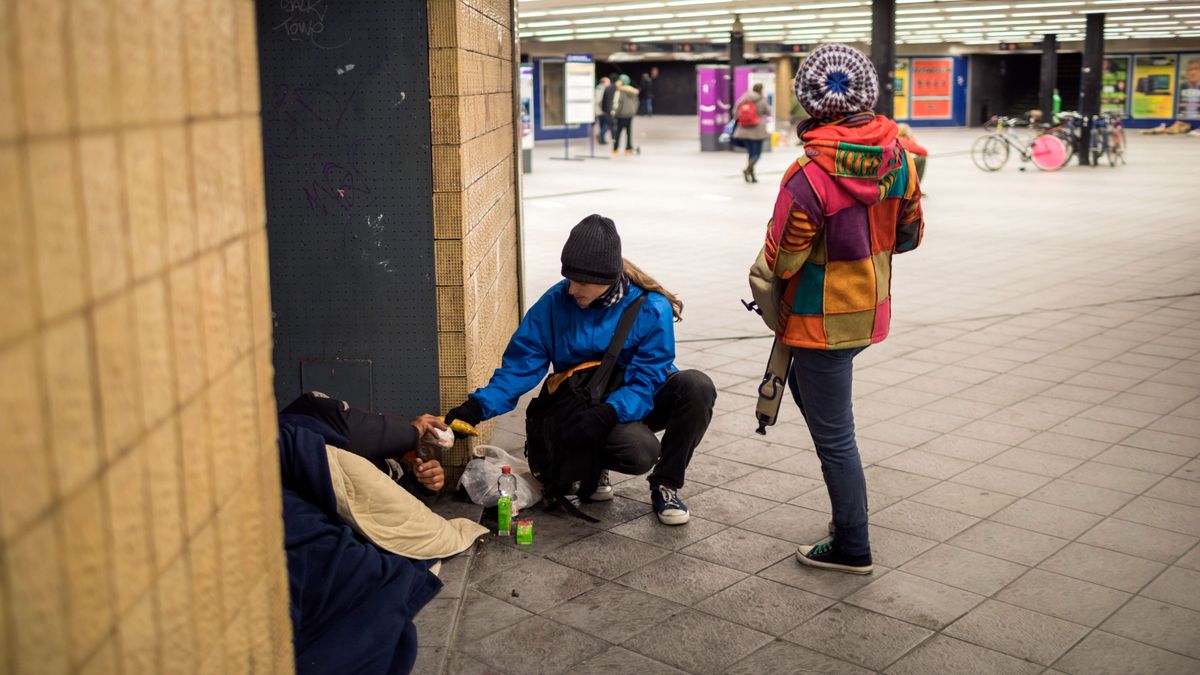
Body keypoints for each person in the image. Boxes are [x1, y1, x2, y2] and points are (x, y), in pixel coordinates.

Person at [757, 44, 924, 574]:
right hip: (868, 311)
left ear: (810, 101)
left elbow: (785, 258)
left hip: (818, 320)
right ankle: (847, 516)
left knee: (835, 438)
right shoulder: (900, 159)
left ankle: (853, 543)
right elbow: (910, 234)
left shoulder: (807, 175)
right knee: (815, 402)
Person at [444, 215, 716, 525]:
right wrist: (477, 407)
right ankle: (593, 467)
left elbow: (647, 379)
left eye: (582, 282)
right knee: (639, 450)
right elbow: (521, 364)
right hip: (581, 405)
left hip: (630, 400)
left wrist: (609, 414)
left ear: (608, 278)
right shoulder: (555, 302)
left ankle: (665, 484)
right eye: (569, 278)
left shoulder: (652, 307)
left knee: (698, 386)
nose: (572, 289)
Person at [277, 392, 484, 674]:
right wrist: (411, 432)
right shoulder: (306, 419)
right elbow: (349, 442)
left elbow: (378, 506)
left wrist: (422, 484)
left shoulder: (390, 461)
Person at [734, 82, 772, 183]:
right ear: (761, 90)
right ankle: (747, 170)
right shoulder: (762, 100)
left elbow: (735, 113)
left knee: (751, 154)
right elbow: (768, 112)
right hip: (757, 131)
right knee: (757, 154)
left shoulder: (743, 99)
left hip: (743, 130)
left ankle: (752, 175)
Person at [610, 75, 639, 155]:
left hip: (621, 115)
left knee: (618, 132)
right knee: (629, 133)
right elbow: (637, 103)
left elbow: (617, 104)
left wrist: (614, 114)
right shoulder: (633, 91)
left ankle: (615, 149)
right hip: (630, 115)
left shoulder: (619, 92)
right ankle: (628, 149)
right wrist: (633, 112)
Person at [595, 76, 612, 144]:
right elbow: (600, 101)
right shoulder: (603, 89)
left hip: (598, 111)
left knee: (602, 126)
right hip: (603, 110)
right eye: (608, 82)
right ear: (604, 82)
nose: (610, 83)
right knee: (608, 124)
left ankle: (602, 140)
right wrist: (605, 109)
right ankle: (600, 135)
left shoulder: (597, 88)